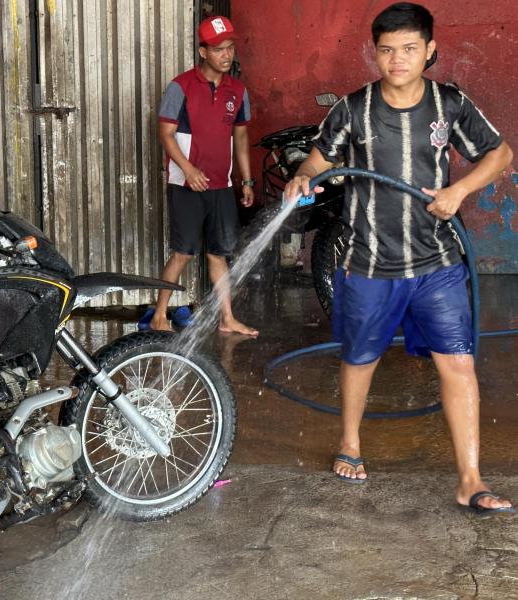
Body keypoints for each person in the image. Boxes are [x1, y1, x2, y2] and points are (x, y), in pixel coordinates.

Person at [284, 2, 513, 514]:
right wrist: (303, 176)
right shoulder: (352, 108)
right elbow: (318, 160)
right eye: (387, 50)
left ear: (429, 50)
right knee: (359, 358)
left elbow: (500, 155)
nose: (397, 59)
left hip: (437, 263)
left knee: (457, 363)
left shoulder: (449, 104)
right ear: (375, 53)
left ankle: (471, 479)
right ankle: (350, 442)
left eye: (409, 49)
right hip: (369, 261)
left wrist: (461, 192)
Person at [149, 15, 258, 335]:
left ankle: (227, 318)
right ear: (203, 51)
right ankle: (159, 315)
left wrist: (246, 180)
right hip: (186, 184)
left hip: (221, 185)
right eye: (219, 49)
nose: (227, 55)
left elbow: (240, 138)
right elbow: (166, 134)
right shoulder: (180, 86)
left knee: (218, 253)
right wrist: (187, 168)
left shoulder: (237, 91)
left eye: (230, 48)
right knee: (183, 252)